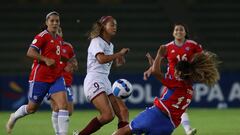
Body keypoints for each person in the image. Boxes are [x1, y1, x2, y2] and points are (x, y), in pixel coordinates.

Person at [113, 45, 220, 135]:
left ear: (179, 73)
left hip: (155, 115)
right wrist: (153, 64)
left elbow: (155, 72)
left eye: (176, 71)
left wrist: (159, 55)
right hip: (168, 126)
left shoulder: (177, 83)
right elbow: (158, 72)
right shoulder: (190, 89)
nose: (174, 73)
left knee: (125, 131)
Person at [6, 11, 69, 135]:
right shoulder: (42, 36)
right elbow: (30, 52)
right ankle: (14, 116)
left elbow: (56, 56)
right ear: (46, 23)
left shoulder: (59, 38)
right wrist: (45, 59)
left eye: (57, 21)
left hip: (56, 77)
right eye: (52, 21)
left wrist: (66, 63)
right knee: (31, 108)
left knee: (63, 105)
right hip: (40, 78)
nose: (55, 23)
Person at [74, 16, 129, 135]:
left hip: (105, 80)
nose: (115, 27)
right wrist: (118, 54)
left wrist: (118, 59)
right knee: (108, 115)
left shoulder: (110, 45)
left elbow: (108, 62)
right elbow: (101, 59)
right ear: (104, 26)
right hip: (94, 79)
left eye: (116, 25)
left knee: (122, 112)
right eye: (112, 25)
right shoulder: (96, 41)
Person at [146, 23, 203, 135]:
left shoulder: (193, 45)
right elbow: (159, 62)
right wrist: (151, 68)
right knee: (174, 105)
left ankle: (158, 125)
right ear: (173, 32)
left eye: (181, 30)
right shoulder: (167, 47)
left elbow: (202, 59)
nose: (178, 32)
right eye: (176, 30)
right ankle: (186, 130)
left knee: (174, 105)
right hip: (171, 80)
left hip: (186, 80)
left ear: (185, 32)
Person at [50, 27, 78, 135]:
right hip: (54, 81)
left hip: (67, 81)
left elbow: (74, 62)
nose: (58, 33)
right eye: (56, 31)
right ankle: (59, 133)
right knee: (58, 108)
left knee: (69, 111)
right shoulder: (49, 46)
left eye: (59, 31)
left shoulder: (68, 46)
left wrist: (73, 65)